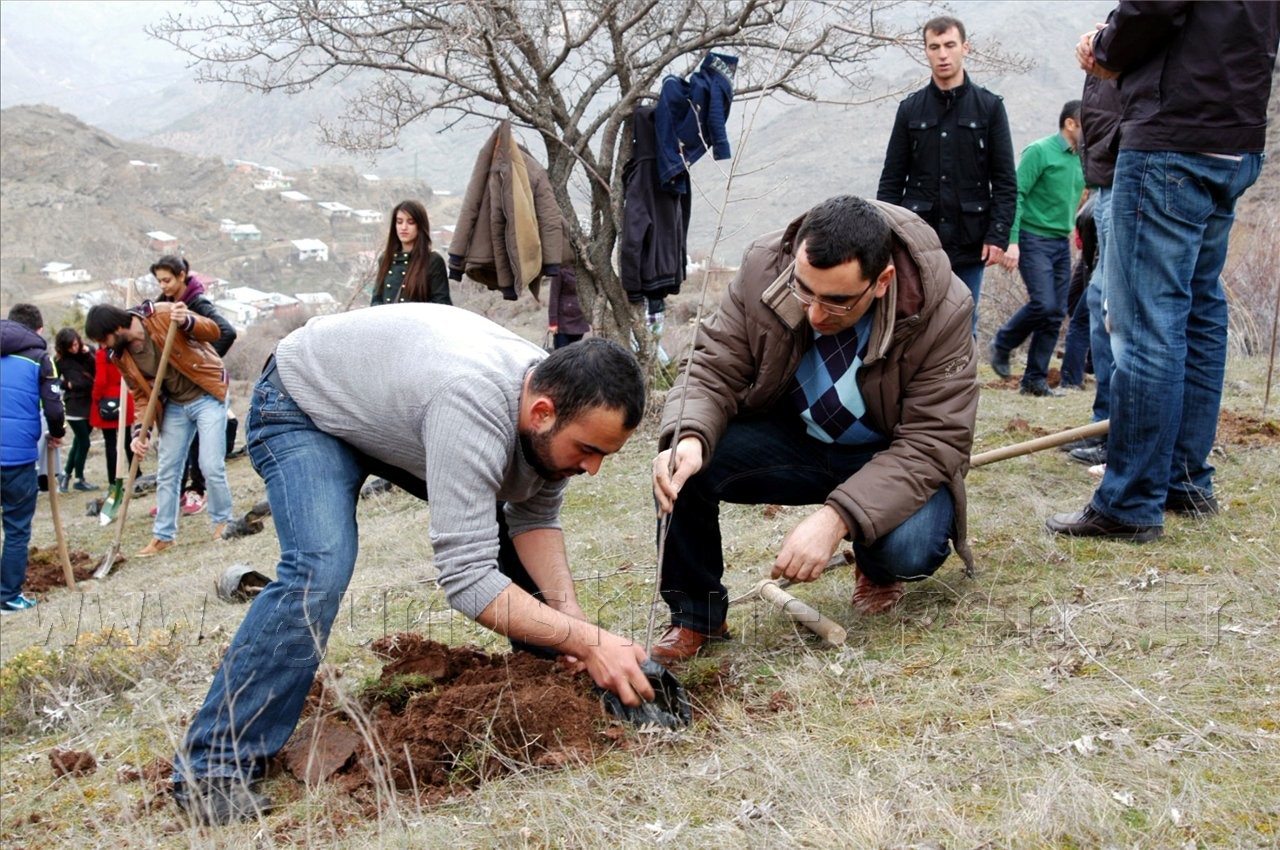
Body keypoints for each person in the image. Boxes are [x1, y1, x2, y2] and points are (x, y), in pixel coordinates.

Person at [170, 304, 651, 824]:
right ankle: (213, 767)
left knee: (516, 543)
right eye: (586, 450)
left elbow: (531, 518)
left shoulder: (556, 398)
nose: (594, 468)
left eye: (605, 454)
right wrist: (590, 641)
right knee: (320, 563)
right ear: (541, 413)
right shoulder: (472, 403)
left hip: (388, 406)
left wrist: (571, 616)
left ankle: (551, 687)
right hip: (301, 403)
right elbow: (466, 580)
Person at [649, 195, 978, 662]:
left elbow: (933, 443)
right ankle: (696, 617)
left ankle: (876, 568)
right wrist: (689, 437)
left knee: (910, 550)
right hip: (796, 440)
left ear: (882, 281)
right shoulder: (765, 269)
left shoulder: (940, 310)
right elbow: (712, 368)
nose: (815, 314)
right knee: (682, 471)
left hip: (884, 455)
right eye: (805, 291)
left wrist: (835, 519)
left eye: (838, 301)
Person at [1048, 1, 1280, 541]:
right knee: (1198, 310)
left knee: (1150, 321)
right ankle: (1184, 480)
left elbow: (1154, 6)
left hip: (1172, 135)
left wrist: (1105, 47)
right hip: (1236, 137)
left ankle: (1130, 500)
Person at [877, 15, 1017, 336]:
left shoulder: (989, 108)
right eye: (934, 47)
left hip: (971, 240)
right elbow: (892, 180)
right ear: (925, 51)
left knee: (963, 321)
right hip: (918, 240)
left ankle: (961, 386)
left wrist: (998, 234)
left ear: (964, 48)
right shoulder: (910, 110)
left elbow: (1006, 179)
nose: (942, 54)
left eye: (950, 45)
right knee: (915, 320)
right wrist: (885, 237)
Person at [84, 301, 233, 554]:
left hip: (207, 393)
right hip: (174, 405)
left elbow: (215, 331)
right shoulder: (121, 355)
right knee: (168, 472)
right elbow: (141, 395)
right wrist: (140, 432)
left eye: (103, 339)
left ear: (117, 327)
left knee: (210, 465)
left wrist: (187, 320)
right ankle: (164, 535)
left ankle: (223, 522)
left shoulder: (162, 314)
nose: (102, 346)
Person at [990, 100, 1085, 397]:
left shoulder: (1083, 158)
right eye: (1087, 124)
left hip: (1060, 241)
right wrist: (1012, 241)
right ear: (1070, 124)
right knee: (1044, 303)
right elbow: (1015, 194)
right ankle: (1003, 342)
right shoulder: (1040, 151)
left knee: (1056, 313)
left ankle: (1034, 381)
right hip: (1033, 238)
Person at [1058, 73, 1124, 467]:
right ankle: (1102, 425)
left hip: (1126, 188)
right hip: (1111, 191)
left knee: (1113, 323)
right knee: (1095, 317)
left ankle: (1114, 434)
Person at [152, 255, 237, 517]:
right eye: (159, 281)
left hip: (204, 388)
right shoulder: (161, 306)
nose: (163, 285)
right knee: (177, 447)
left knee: (202, 447)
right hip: (177, 391)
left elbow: (227, 332)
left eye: (167, 280)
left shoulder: (197, 304)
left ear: (181, 275)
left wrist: (203, 365)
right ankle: (176, 494)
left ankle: (198, 491)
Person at [1, 304, 65, 614]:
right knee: (15, 527)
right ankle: (8, 596)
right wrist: (56, 432)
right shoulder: (41, 359)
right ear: (38, 331)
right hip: (16, 459)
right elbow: (53, 407)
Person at [370, 200, 451, 306]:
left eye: (410, 222)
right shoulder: (385, 258)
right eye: (399, 222)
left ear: (420, 226)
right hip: (389, 321)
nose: (404, 227)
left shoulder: (433, 261)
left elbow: (442, 304)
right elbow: (376, 299)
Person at [53, 327, 99, 492]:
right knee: (84, 442)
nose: (74, 349)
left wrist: (87, 354)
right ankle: (79, 478)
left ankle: (65, 475)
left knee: (78, 442)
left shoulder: (87, 352)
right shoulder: (60, 360)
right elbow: (53, 381)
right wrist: (67, 385)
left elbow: (97, 370)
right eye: (70, 347)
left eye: (75, 344)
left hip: (91, 402)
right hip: (74, 405)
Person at [89, 336, 136, 485]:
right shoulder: (122, 351)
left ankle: (113, 480)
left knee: (110, 442)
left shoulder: (102, 354)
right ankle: (136, 473)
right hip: (123, 396)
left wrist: (95, 397)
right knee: (128, 439)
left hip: (107, 399)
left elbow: (101, 380)